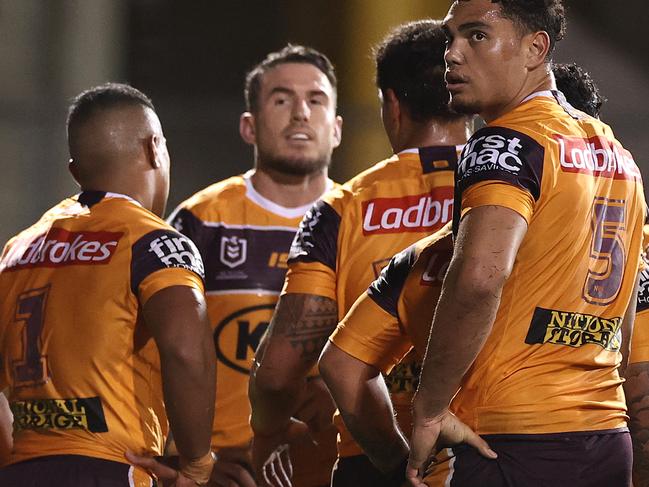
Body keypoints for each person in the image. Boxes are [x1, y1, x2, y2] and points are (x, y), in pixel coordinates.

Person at [319, 57, 611, 481]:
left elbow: (339, 365)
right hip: (603, 440)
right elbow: (636, 372)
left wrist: (417, 431)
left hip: (493, 445)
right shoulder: (626, 239)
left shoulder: (431, 252)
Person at [406, 1, 645, 486]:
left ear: (537, 48)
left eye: (476, 36)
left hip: (507, 439)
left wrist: (429, 409)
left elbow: (479, 277)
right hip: (602, 434)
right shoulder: (620, 157)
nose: (452, 54)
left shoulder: (509, 141)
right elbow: (621, 315)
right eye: (449, 38)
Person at [249, 20, 473, 487]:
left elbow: (277, 373)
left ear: (392, 105)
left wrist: (267, 430)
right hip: (490, 445)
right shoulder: (513, 184)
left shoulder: (339, 209)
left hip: (375, 454)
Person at [0, 83, 216, 487]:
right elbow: (186, 350)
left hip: (19, 471)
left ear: (75, 172)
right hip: (111, 468)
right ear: (155, 148)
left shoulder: (16, 250)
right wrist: (196, 462)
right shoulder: (154, 242)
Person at [168, 44, 342, 487]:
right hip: (225, 472)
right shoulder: (200, 221)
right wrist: (186, 460)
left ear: (336, 128)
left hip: (333, 469)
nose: (301, 113)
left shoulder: (360, 218)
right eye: (282, 100)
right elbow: (153, 350)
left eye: (316, 100)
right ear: (249, 126)